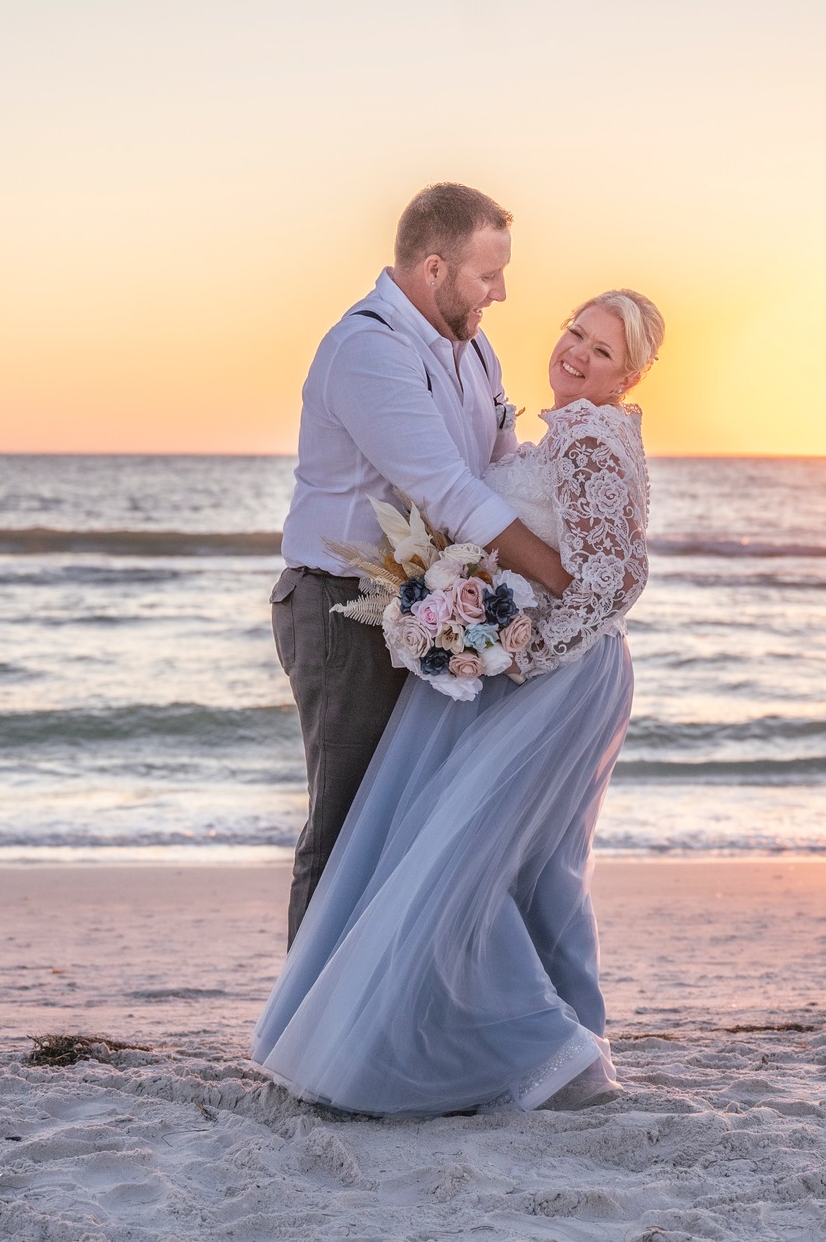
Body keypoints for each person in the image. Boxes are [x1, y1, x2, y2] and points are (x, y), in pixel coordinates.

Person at [254, 289, 664, 1116]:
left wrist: (514, 650)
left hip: (549, 678)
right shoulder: (574, 430)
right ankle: (565, 1046)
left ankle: (544, 1046)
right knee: (535, 869)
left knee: (463, 855)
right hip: (542, 674)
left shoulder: (588, 434)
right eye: (576, 332)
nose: (577, 353)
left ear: (631, 375)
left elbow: (614, 578)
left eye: (603, 353)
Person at [273, 184, 570, 946]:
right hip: (343, 611)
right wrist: (572, 585)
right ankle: (305, 1036)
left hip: (437, 608)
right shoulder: (369, 349)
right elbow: (451, 494)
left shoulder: (474, 347)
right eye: (487, 276)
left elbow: (500, 472)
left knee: (415, 824)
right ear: (434, 267)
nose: (500, 293)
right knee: (346, 826)